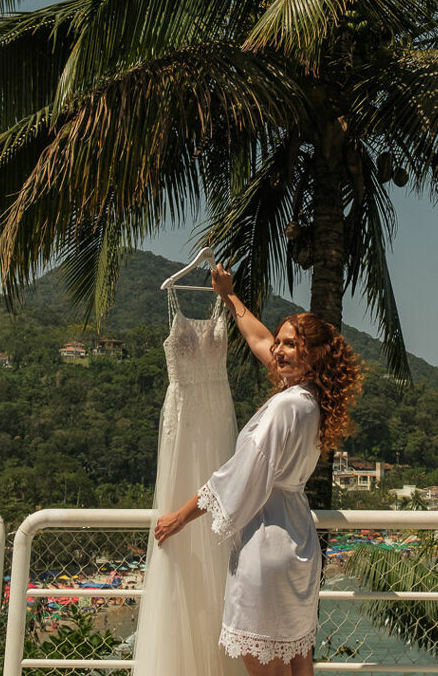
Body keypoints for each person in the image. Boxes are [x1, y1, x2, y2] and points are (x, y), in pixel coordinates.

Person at [154, 265, 363, 675]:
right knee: (299, 666)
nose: (278, 350)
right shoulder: (311, 399)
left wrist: (179, 517)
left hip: (267, 547)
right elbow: (261, 340)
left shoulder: (286, 406)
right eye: (281, 342)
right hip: (298, 542)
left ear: (312, 354)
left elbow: (238, 475)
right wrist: (229, 296)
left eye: (290, 345)